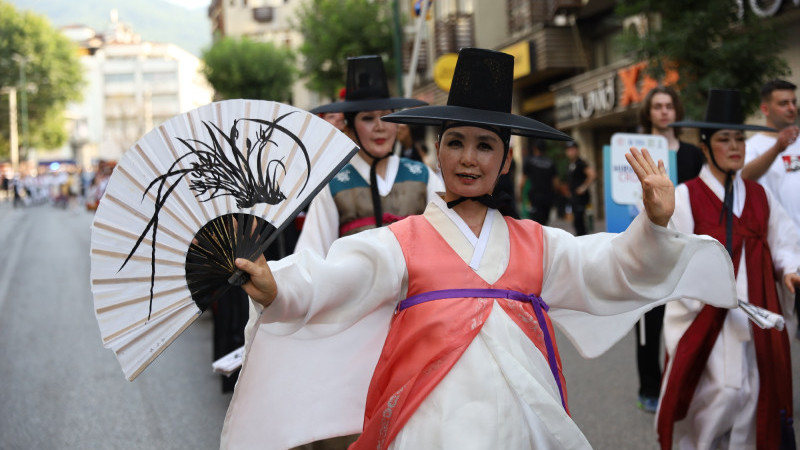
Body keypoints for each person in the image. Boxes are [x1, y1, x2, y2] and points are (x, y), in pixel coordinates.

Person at [222, 48, 737, 450]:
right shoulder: (402, 243)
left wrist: (655, 222)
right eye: (455, 142)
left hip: (521, 420)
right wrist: (280, 286)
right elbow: (336, 274)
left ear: (505, 161)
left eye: (485, 145)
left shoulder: (538, 243)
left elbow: (613, 266)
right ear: (437, 152)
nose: (469, 158)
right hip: (428, 421)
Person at [657, 88, 799, 450]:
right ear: (705, 147)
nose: (735, 146)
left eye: (739, 138)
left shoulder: (759, 196)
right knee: (721, 392)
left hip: (756, 312)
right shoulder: (687, 196)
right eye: (724, 139)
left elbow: (783, 242)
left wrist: (790, 270)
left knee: (754, 392)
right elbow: (671, 253)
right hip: (707, 316)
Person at [633, 86, 706, 413]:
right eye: (657, 106)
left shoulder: (692, 155)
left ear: (676, 111)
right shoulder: (633, 152)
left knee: (689, 316)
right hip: (648, 245)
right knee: (649, 322)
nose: (663, 111)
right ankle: (649, 387)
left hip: (687, 247)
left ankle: (685, 383)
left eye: (669, 106)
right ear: (648, 112)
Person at [742, 79, 800, 339]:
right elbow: (744, 176)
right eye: (783, 103)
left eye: (794, 102)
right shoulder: (753, 146)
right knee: (782, 329)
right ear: (765, 109)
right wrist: (778, 147)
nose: (791, 108)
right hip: (780, 252)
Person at [521, 139, 558, 225]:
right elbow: (556, 184)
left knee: (535, 222)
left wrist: (521, 194)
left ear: (535, 148)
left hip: (534, 198)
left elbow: (522, 182)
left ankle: (538, 238)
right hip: (547, 197)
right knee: (545, 223)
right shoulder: (551, 163)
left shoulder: (529, 162)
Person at [564, 140, 596, 235]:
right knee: (576, 224)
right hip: (574, 199)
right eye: (569, 150)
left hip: (581, 200)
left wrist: (584, 187)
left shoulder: (581, 163)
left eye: (573, 149)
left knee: (581, 224)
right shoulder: (570, 165)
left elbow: (592, 174)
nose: (571, 152)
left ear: (577, 150)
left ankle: (584, 245)